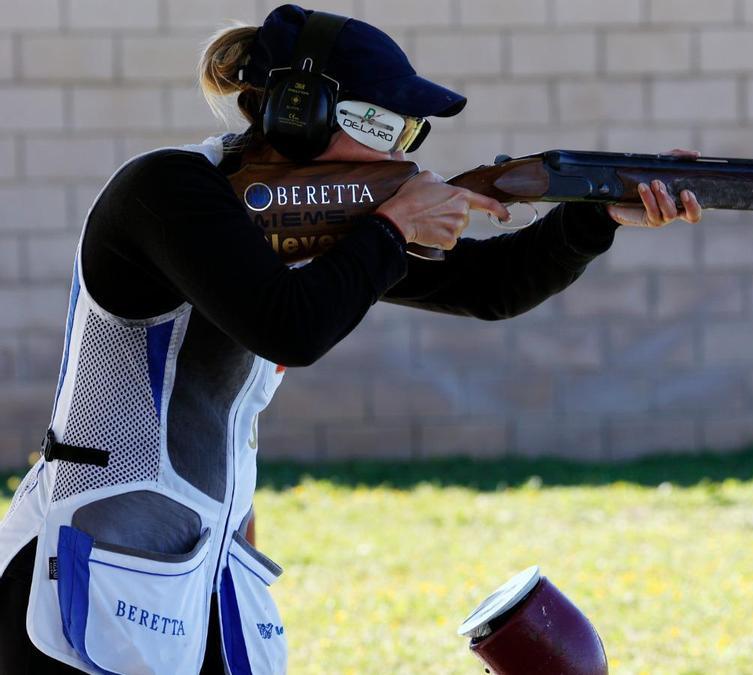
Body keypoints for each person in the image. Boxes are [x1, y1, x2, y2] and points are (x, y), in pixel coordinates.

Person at [0, 5, 701, 673]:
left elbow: (493, 287)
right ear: (297, 112)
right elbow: (288, 323)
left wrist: (594, 219)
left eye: (404, 134)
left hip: (198, 578)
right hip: (83, 572)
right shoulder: (169, 191)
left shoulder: (325, 228)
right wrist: (393, 229)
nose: (392, 152)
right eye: (376, 123)